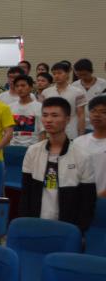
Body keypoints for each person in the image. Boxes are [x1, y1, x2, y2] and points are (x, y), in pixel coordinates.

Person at [20, 97, 97, 230]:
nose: (48, 120)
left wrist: (79, 231)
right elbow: (26, 193)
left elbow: (87, 201)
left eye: (55, 115)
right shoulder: (33, 151)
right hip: (36, 221)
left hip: (67, 226)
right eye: (45, 115)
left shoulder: (82, 156)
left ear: (67, 119)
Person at [42, 61, 86, 138]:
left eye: (59, 73)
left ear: (67, 74)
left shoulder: (78, 92)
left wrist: (81, 135)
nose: (56, 76)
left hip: (71, 132)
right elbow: (43, 114)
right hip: (51, 133)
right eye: (54, 74)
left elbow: (81, 115)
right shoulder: (46, 92)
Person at [74, 95, 106, 196]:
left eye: (103, 112)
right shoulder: (78, 142)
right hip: (81, 198)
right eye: (93, 111)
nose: (97, 115)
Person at [9, 76, 42, 147]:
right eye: (17, 86)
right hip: (13, 147)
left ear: (30, 87)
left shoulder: (40, 107)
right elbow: (7, 132)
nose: (20, 88)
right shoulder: (10, 108)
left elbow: (42, 132)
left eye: (23, 85)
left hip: (33, 148)